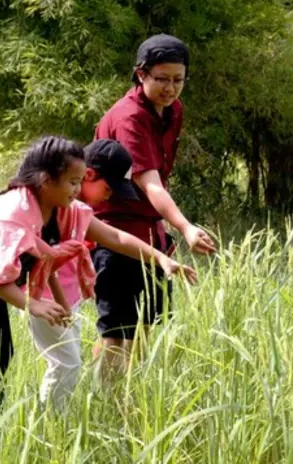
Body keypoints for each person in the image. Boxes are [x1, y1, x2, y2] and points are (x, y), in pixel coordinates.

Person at [0, 136, 196, 416]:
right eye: (72, 182)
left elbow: (113, 237)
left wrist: (162, 259)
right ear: (46, 181)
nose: (78, 190)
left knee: (0, 354)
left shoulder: (60, 209)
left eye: (80, 181)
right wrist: (34, 304)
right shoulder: (13, 217)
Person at [92, 34, 216, 375]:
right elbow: (150, 183)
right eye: (162, 79)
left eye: (178, 80)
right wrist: (185, 227)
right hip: (115, 232)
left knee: (147, 322)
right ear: (141, 74)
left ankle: (133, 393)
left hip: (151, 231)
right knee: (116, 330)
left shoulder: (173, 110)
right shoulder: (129, 116)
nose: (170, 88)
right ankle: (106, 397)